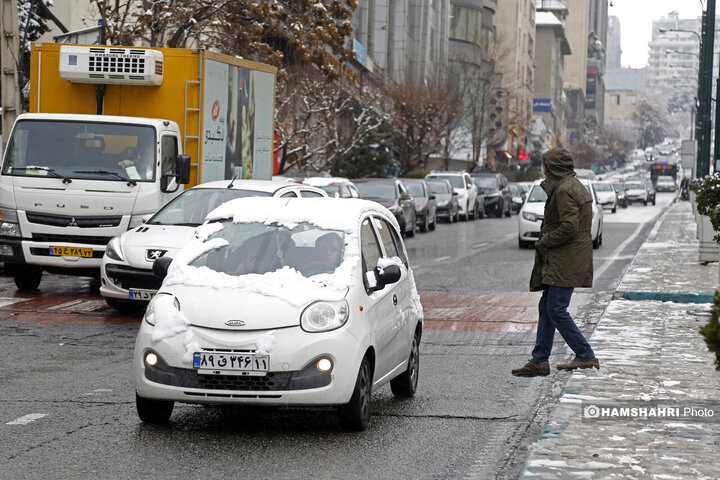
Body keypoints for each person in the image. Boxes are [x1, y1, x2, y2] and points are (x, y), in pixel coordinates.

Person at [512, 147, 600, 377]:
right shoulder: (568, 185)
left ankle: (585, 354)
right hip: (565, 257)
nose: (542, 168)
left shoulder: (564, 189)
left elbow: (569, 227)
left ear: (552, 167)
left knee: (556, 309)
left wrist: (546, 240)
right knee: (547, 306)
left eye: (544, 164)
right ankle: (539, 360)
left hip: (566, 258)